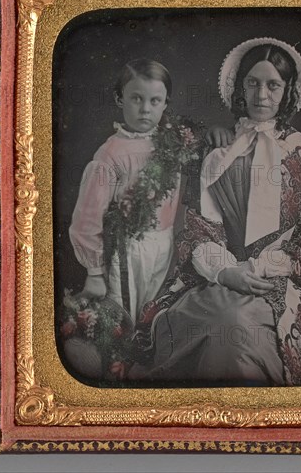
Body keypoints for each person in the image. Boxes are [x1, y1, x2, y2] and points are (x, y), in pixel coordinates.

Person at [133, 38, 301, 386]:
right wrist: (227, 272)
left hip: (287, 278)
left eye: (273, 85)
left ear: (287, 91)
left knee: (235, 326)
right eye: (253, 83)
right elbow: (200, 229)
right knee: (204, 317)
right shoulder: (219, 151)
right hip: (223, 274)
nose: (261, 95)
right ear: (240, 86)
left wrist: (259, 268)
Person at [63, 58, 233, 381]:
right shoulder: (110, 154)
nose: (145, 109)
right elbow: (87, 218)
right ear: (119, 99)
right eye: (136, 99)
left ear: (166, 104)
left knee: (154, 312)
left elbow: (201, 144)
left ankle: (146, 374)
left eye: (155, 101)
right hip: (127, 250)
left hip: (165, 244)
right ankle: (114, 377)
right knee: (123, 314)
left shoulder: (173, 139)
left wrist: (215, 131)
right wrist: (95, 272)